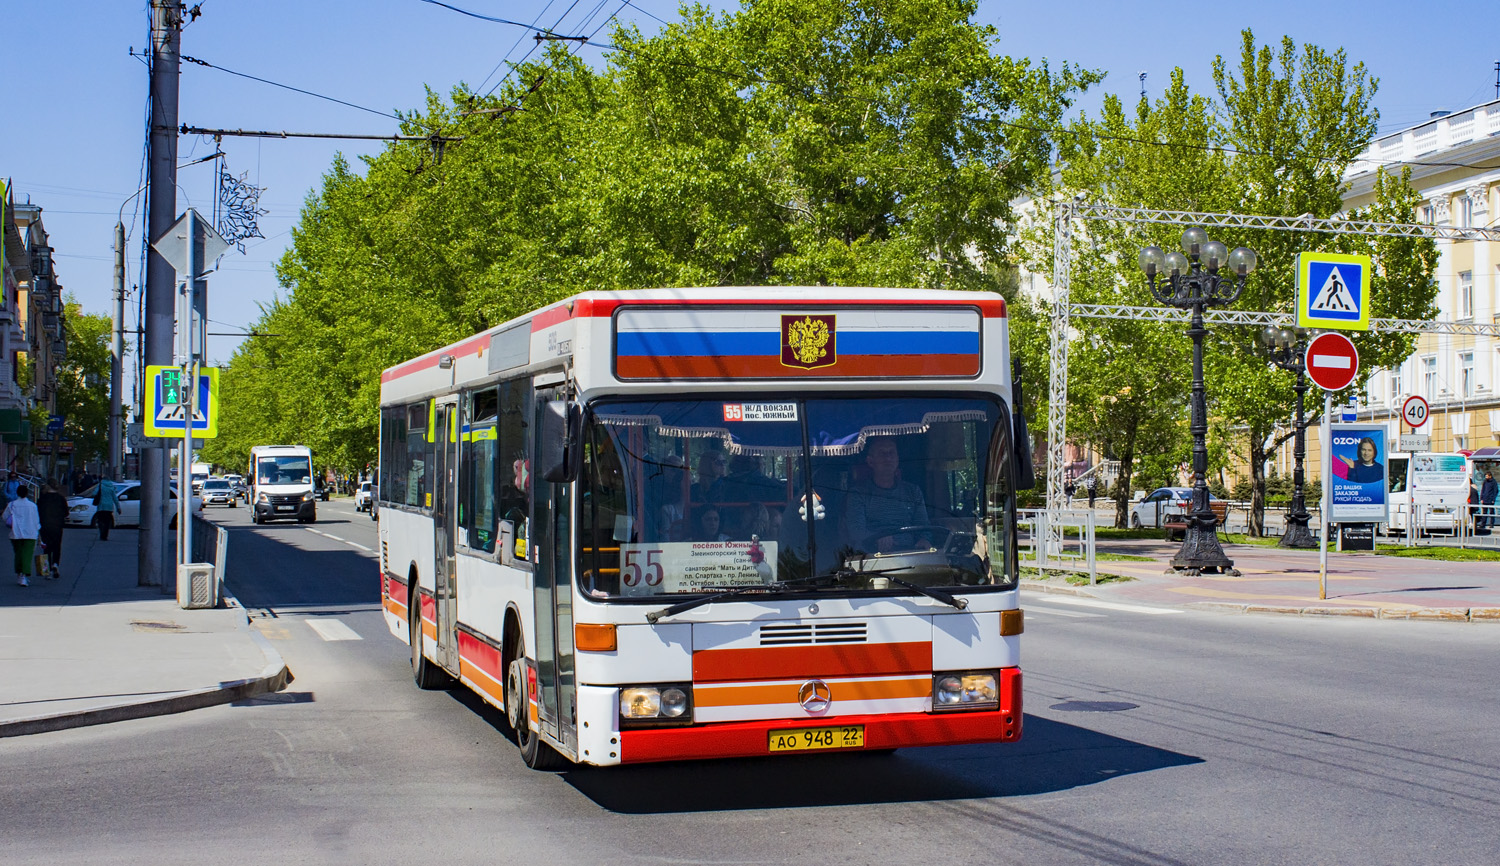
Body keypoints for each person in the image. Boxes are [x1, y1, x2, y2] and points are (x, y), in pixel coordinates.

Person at [845, 437, 930, 554]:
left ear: (897, 459)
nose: (888, 458)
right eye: (882, 453)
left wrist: (924, 540)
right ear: (870, 461)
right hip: (872, 558)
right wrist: (876, 538)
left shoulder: (913, 491)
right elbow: (856, 532)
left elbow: (924, 526)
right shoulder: (858, 494)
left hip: (911, 555)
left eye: (891, 453)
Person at [5, 485, 40, 587]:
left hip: (16, 533)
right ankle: (24, 575)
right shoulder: (33, 506)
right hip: (30, 533)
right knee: (27, 554)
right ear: (27, 493)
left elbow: (5, 517)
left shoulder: (12, 505)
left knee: (18, 553)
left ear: (17, 493)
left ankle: (19, 573)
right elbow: (36, 520)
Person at [37, 480, 68, 580]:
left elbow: (38, 512)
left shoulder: (42, 499)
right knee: (57, 546)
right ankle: (55, 564)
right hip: (57, 525)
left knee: (46, 547)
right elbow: (66, 513)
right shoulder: (61, 498)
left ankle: (46, 570)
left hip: (45, 525)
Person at [96, 475, 120, 541]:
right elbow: (115, 498)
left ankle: (101, 533)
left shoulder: (100, 485)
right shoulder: (111, 487)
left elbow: (94, 493)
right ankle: (105, 536)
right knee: (107, 522)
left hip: (101, 506)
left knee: (100, 520)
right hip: (109, 507)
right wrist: (118, 507)